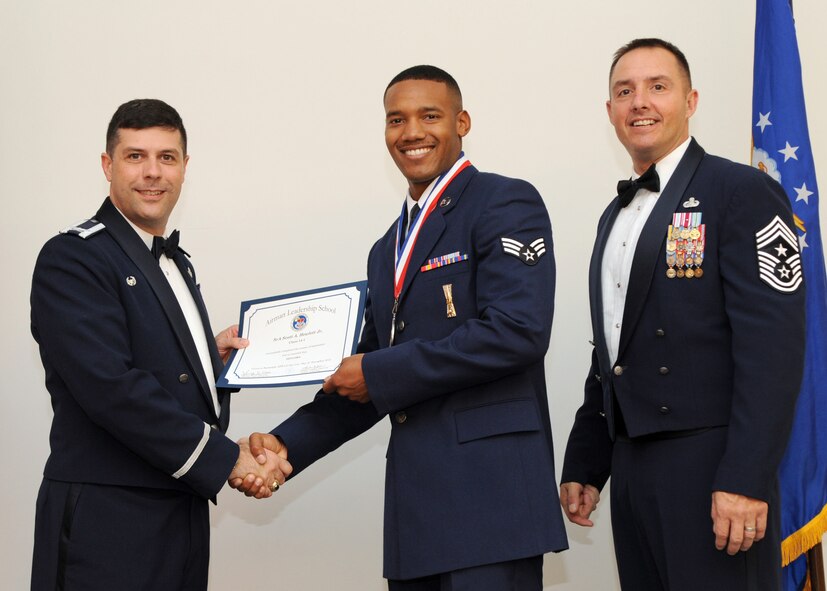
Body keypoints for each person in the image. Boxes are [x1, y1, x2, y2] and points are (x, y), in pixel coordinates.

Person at [238, 66, 568, 589]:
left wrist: (376, 369)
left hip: (492, 506)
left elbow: (517, 331)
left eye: (429, 116)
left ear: (462, 122)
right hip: (417, 514)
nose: (412, 131)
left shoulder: (505, 202)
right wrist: (283, 446)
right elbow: (368, 381)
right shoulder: (385, 248)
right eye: (397, 120)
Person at [560, 38, 806, 590]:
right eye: (625, 92)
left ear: (690, 100)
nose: (639, 102)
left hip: (713, 468)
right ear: (610, 112)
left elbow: (774, 352)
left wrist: (745, 478)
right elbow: (613, 349)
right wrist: (586, 460)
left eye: (657, 87)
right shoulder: (612, 217)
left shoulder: (744, 192)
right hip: (632, 469)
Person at [30, 98, 291, 591]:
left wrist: (204, 360)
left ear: (185, 168)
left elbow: (144, 359)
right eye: (135, 156)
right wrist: (226, 458)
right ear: (108, 165)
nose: (153, 173)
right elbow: (111, 387)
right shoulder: (72, 257)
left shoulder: (175, 262)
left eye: (167, 157)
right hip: (108, 519)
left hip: (180, 509)